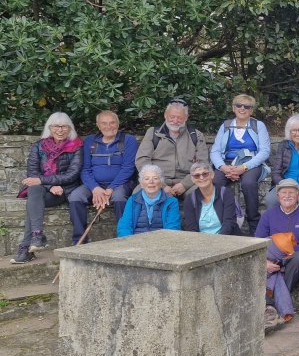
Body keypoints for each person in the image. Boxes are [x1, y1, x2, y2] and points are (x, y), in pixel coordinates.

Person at [12, 112, 83, 263]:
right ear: (49, 128)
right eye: (56, 126)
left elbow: (72, 175)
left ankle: (26, 246)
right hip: (46, 189)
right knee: (34, 190)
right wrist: (50, 185)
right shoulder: (39, 146)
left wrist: (45, 182)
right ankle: (37, 236)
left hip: (65, 190)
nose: (60, 130)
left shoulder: (76, 146)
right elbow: (32, 173)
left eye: (64, 126)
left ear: (69, 128)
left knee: (33, 200)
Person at [68, 110, 138, 245]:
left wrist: (111, 188)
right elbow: (85, 169)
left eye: (112, 123)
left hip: (120, 184)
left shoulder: (128, 140)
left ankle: (124, 238)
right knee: (76, 196)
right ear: (98, 126)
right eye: (104, 123)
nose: (109, 126)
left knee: (119, 197)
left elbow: (128, 168)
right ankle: (79, 239)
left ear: (118, 124)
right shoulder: (90, 141)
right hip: (95, 184)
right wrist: (95, 188)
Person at [256, 178, 299, 328]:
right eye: (283, 192)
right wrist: (266, 263)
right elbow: (257, 241)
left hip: (291, 263)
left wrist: (282, 262)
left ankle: (270, 305)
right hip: (270, 262)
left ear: (298, 196)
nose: (287, 196)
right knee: (269, 268)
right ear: (278, 196)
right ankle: (274, 309)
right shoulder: (268, 215)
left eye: (291, 192)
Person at [210, 94, 271, 234]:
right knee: (216, 181)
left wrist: (243, 168)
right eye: (239, 105)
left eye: (247, 106)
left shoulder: (258, 126)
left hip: (251, 163)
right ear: (233, 108)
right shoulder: (225, 126)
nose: (242, 108)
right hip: (227, 163)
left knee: (249, 183)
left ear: (251, 110)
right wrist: (223, 167)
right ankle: (222, 219)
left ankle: (254, 223)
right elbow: (215, 151)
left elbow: (264, 151)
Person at [135, 98, 208, 198]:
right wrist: (161, 185)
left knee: (202, 192)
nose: (175, 121)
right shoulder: (153, 133)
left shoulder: (196, 135)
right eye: (172, 117)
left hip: (188, 181)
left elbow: (203, 164)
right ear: (165, 115)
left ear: (186, 117)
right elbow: (142, 161)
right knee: (138, 194)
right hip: (157, 180)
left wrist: (185, 184)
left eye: (179, 118)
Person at [117, 164, 181, 237]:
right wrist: (129, 243)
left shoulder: (171, 202)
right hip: (136, 242)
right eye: (146, 179)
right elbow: (125, 226)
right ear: (141, 184)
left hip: (161, 242)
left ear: (161, 183)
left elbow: (173, 228)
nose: (151, 182)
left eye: (155, 178)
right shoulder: (132, 200)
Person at [182, 162, 240, 235]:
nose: (201, 178)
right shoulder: (190, 199)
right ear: (193, 179)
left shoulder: (225, 193)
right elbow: (191, 227)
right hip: (201, 242)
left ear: (212, 175)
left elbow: (229, 223)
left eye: (205, 174)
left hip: (226, 239)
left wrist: (217, 242)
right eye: (197, 176)